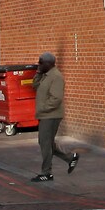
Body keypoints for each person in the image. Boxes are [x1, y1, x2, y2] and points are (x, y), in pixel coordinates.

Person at [32, 52, 79, 181]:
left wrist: (43, 108)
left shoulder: (56, 77)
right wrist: (38, 72)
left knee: (45, 143)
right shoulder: (45, 75)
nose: (39, 64)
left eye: (41, 62)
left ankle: (46, 172)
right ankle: (70, 158)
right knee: (46, 142)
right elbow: (34, 86)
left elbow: (56, 98)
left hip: (51, 115)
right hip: (45, 114)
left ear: (49, 63)